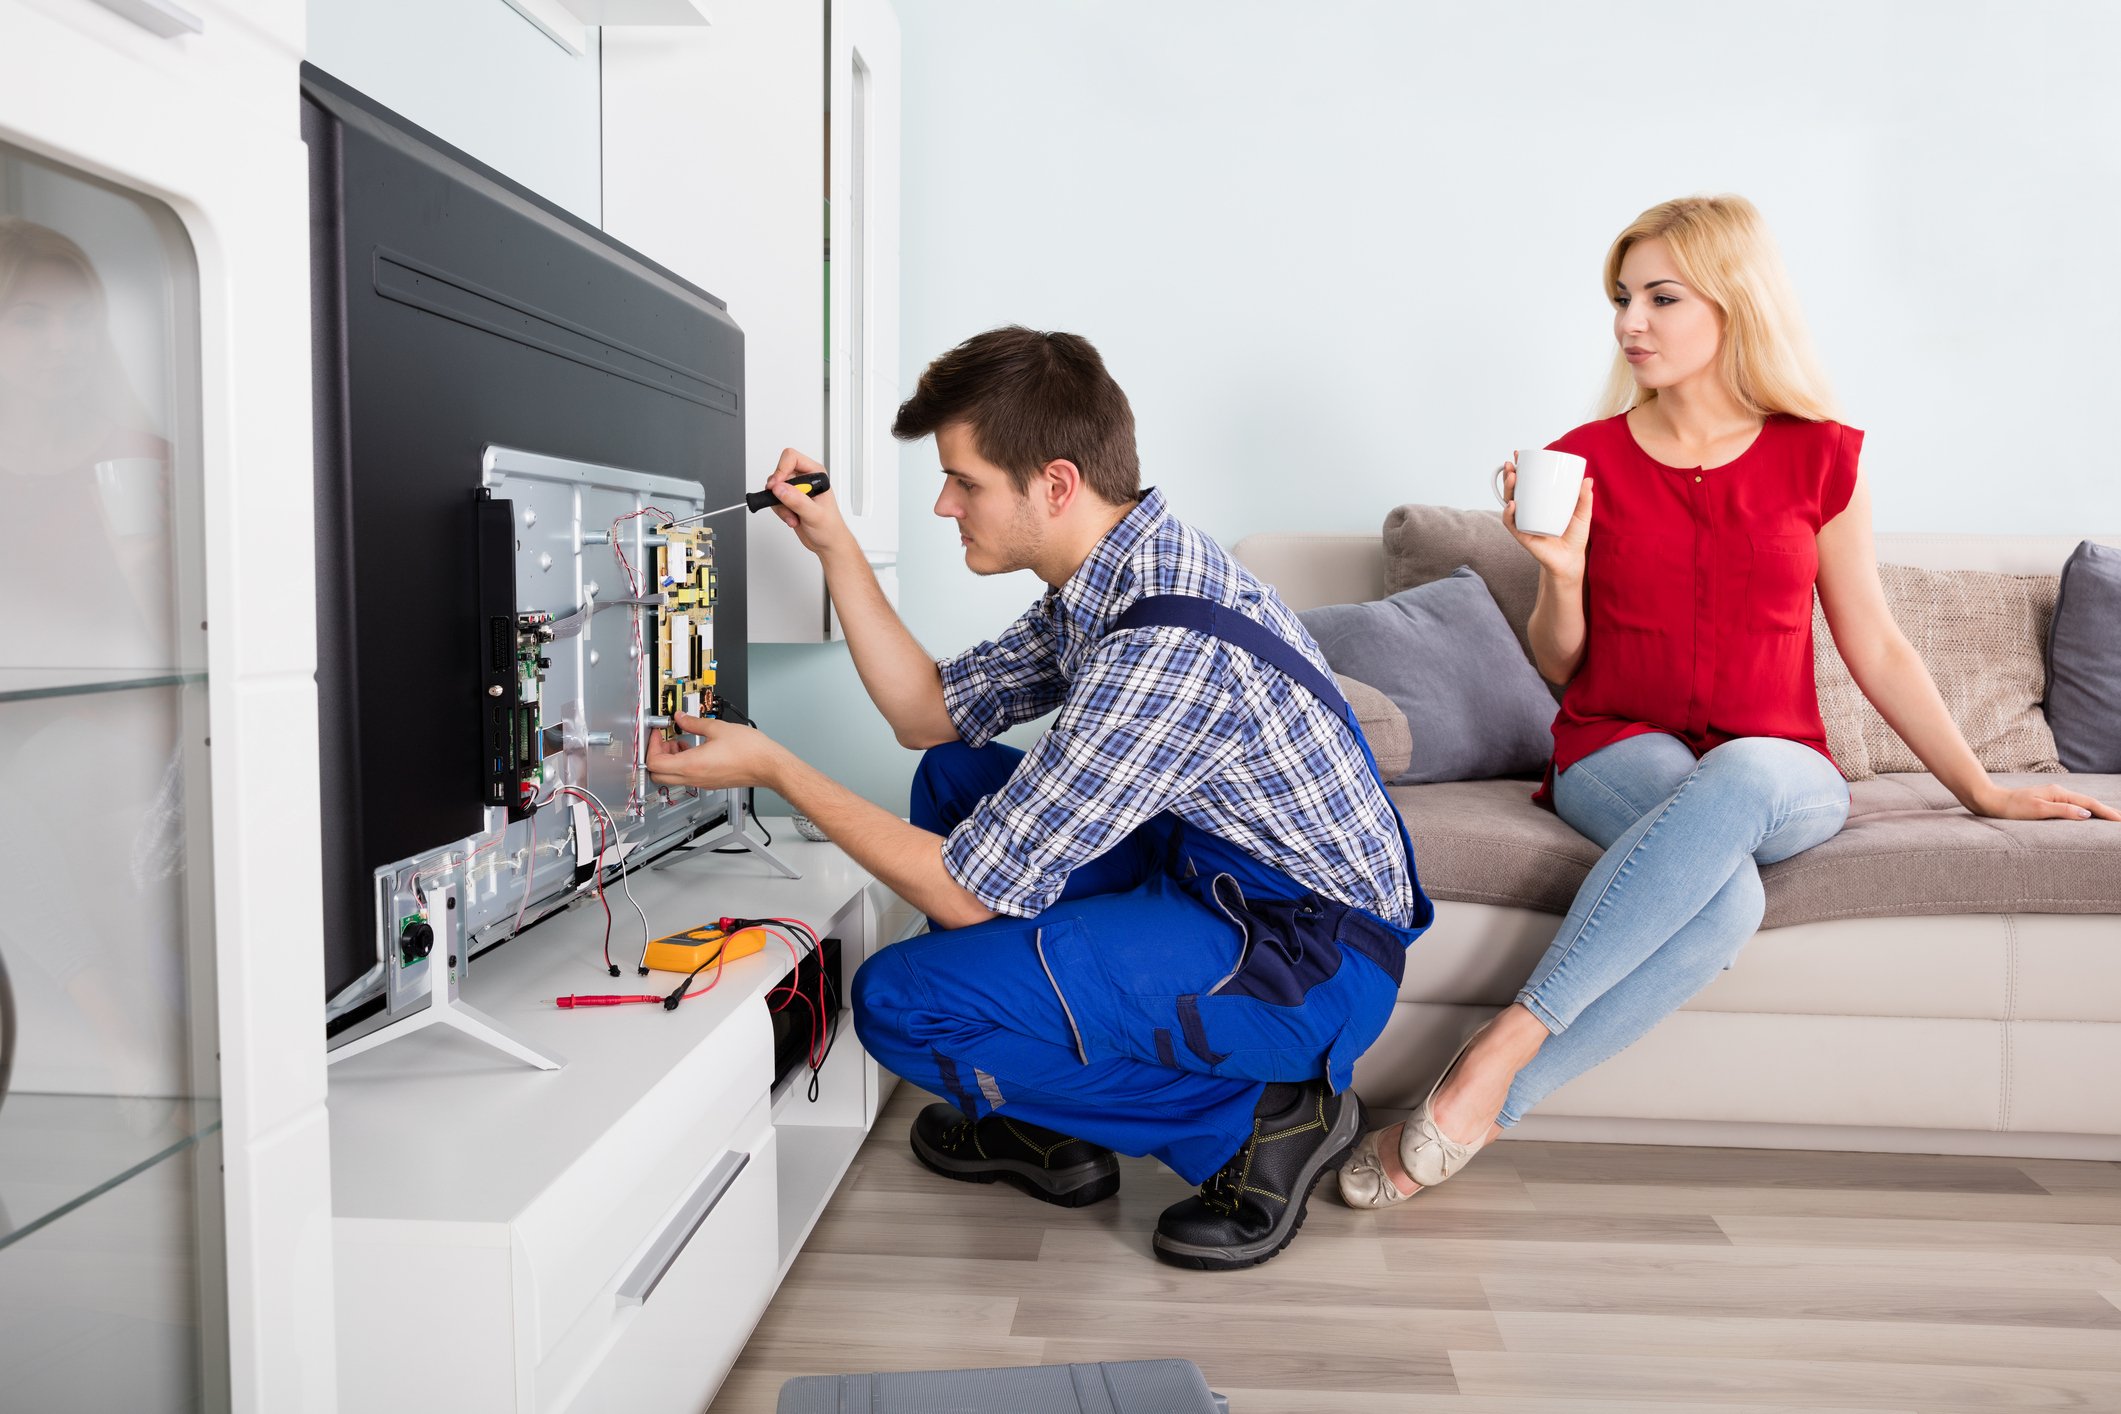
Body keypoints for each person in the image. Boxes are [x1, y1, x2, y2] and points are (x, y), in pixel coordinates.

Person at [1338, 194, 2120, 1210]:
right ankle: (1489, 1106)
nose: (1631, 321)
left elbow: (1875, 643)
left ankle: (1503, 1043)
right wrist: (1562, 572)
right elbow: (1564, 668)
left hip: (1780, 767)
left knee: (1745, 772)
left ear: (1733, 303)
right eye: (1622, 297)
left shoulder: (1821, 455)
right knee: (1730, 899)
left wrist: (1987, 789)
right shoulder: (1587, 458)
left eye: (1661, 296)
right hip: (1615, 748)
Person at [647, 326, 1432, 1268]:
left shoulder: (1163, 650)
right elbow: (928, 715)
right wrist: (834, 544)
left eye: (964, 482)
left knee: (900, 1003)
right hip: (1219, 875)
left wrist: (775, 767)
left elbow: (965, 894)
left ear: (1054, 484)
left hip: (1303, 955)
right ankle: (1041, 1119)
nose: (944, 503)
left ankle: (1258, 1121)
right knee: (953, 777)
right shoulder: (1112, 574)